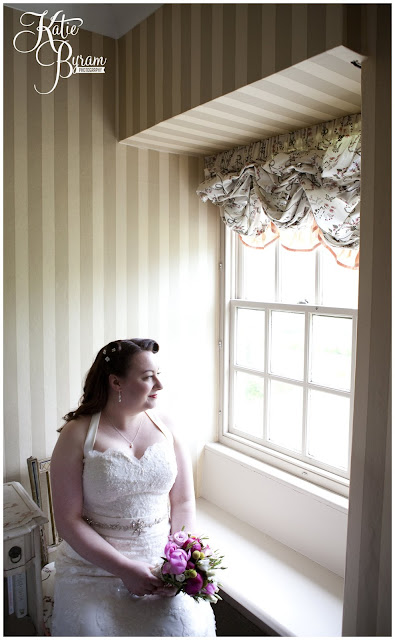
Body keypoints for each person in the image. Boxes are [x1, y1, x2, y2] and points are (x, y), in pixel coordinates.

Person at [50, 338, 216, 636]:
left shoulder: (168, 426)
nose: (160, 385)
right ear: (116, 382)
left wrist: (178, 564)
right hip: (95, 567)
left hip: (159, 562)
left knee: (182, 628)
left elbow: (183, 503)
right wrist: (124, 569)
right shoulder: (77, 434)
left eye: (158, 374)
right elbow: (67, 520)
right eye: (148, 377)